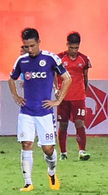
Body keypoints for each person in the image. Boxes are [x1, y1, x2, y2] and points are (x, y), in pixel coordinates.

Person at [8, 28, 72, 191]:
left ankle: (51, 173)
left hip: (44, 113)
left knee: (48, 149)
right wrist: (16, 96)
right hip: (26, 112)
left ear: (39, 42)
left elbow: (67, 78)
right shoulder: (21, 61)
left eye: (32, 46)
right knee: (26, 144)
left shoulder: (51, 59)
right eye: (26, 46)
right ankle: (28, 182)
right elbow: (11, 78)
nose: (29, 50)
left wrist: (58, 100)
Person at [55, 32, 93, 161]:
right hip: (63, 97)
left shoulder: (84, 59)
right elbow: (55, 76)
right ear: (67, 45)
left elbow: (86, 77)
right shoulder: (59, 58)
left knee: (79, 123)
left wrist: (84, 93)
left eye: (76, 48)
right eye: (71, 48)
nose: (74, 51)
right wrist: (56, 90)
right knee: (63, 125)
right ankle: (63, 153)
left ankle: (82, 151)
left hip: (78, 97)